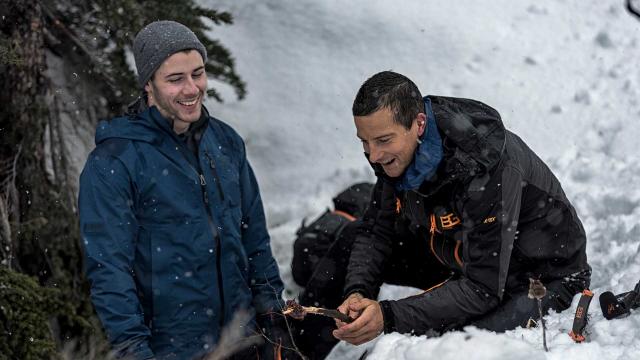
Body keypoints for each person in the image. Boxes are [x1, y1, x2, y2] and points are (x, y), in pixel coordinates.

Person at [294, 71, 590, 358]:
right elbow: (376, 232)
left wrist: (388, 316)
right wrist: (357, 290)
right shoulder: (393, 152)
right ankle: (290, 350)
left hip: (537, 279)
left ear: (419, 124)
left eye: (383, 141)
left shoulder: (484, 167)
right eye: (364, 142)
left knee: (446, 346)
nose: (373, 156)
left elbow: (483, 288)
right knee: (351, 237)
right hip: (462, 257)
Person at [79, 21, 289, 360]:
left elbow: (254, 238)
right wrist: (133, 349)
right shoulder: (116, 161)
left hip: (242, 341)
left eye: (198, 73)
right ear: (148, 84)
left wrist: (273, 314)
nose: (192, 88)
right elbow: (109, 271)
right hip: (172, 349)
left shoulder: (225, 143)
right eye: (175, 79)